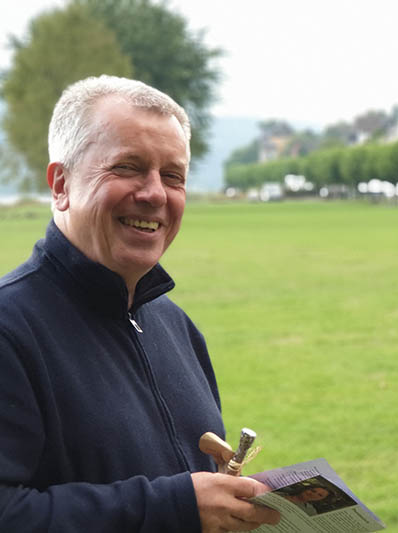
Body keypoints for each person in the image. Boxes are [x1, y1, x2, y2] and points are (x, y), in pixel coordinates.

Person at [0, 75, 280, 532]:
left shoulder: (175, 326)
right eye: (128, 167)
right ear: (61, 184)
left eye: (173, 176)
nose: (154, 194)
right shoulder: (10, 329)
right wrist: (177, 507)